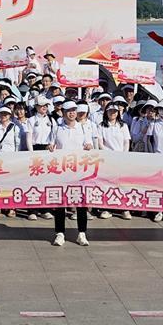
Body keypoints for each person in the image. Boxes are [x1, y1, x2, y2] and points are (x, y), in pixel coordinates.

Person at [49, 100, 90, 247]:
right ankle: (60, 233)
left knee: (81, 202)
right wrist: (50, 147)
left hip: (79, 170)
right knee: (60, 202)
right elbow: (51, 144)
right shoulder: (57, 128)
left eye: (73, 110)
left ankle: (82, 233)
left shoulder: (83, 127)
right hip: (61, 170)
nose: (72, 113)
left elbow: (89, 144)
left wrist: (88, 146)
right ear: (63, 113)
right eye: (68, 111)